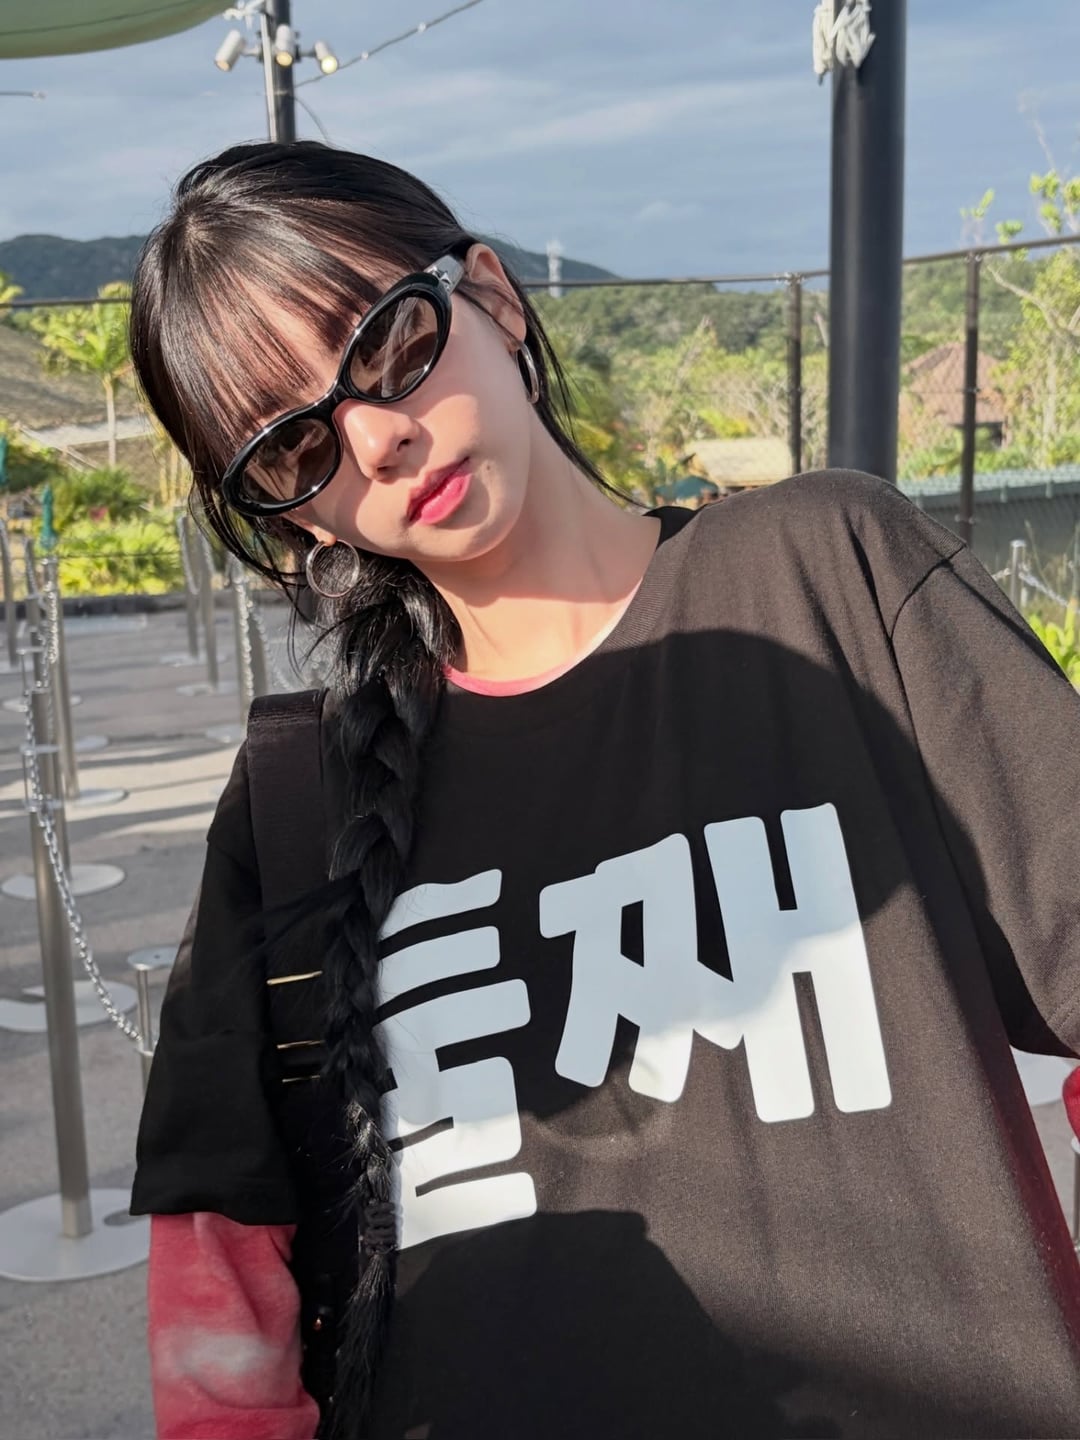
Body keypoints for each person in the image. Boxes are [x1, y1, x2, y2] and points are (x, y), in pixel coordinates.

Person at [129, 140, 1080, 1440]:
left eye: (391, 344)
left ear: (491, 298)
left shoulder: (831, 577)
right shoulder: (299, 798)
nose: (378, 437)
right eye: (295, 449)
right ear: (294, 517)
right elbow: (221, 1281)